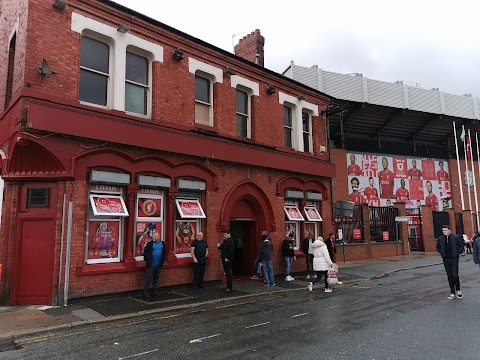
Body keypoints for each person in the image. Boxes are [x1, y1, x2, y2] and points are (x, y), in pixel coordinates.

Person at [436, 225, 464, 299]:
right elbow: (438, 247)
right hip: (446, 259)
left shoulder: (455, 238)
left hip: (454, 259)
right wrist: (443, 254)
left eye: (445, 230)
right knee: (449, 276)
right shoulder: (440, 239)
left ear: (449, 230)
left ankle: (458, 290)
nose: (444, 232)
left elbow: (461, 246)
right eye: (443, 230)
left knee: (455, 274)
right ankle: (452, 292)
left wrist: (457, 253)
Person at [143, 231, 166, 299]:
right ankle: (145, 292)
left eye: (155, 236)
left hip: (158, 264)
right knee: (148, 278)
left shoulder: (162, 243)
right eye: (153, 236)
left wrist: (163, 260)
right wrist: (147, 260)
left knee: (156, 277)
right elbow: (145, 252)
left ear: (158, 237)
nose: (154, 237)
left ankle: (154, 290)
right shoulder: (150, 244)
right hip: (151, 264)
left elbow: (164, 253)